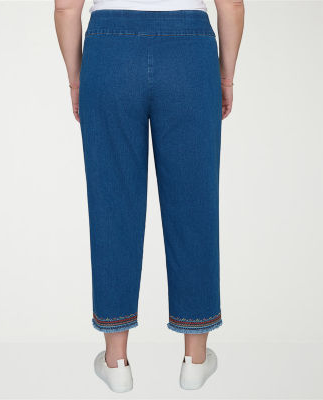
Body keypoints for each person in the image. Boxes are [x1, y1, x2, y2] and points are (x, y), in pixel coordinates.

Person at [55, 0, 244, 392]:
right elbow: (231, 4)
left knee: (112, 204)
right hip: (190, 54)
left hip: (109, 54)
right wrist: (225, 77)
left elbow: (66, 8)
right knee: (195, 205)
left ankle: (116, 361)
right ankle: (195, 359)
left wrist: (76, 79)